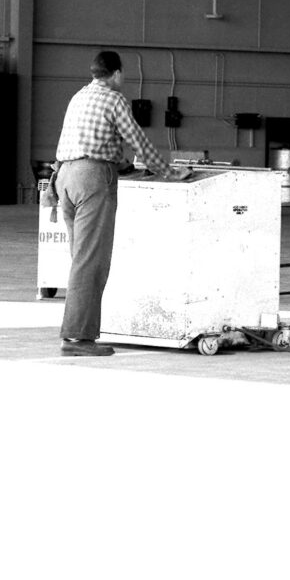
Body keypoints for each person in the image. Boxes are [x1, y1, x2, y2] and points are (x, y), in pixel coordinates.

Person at [53, 49, 165, 354]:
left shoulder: (79, 96)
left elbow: (94, 140)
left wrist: (122, 164)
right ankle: (78, 339)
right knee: (92, 262)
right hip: (91, 180)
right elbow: (137, 140)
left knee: (80, 259)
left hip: (64, 177)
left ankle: (73, 332)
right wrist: (166, 171)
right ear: (116, 73)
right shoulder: (114, 99)